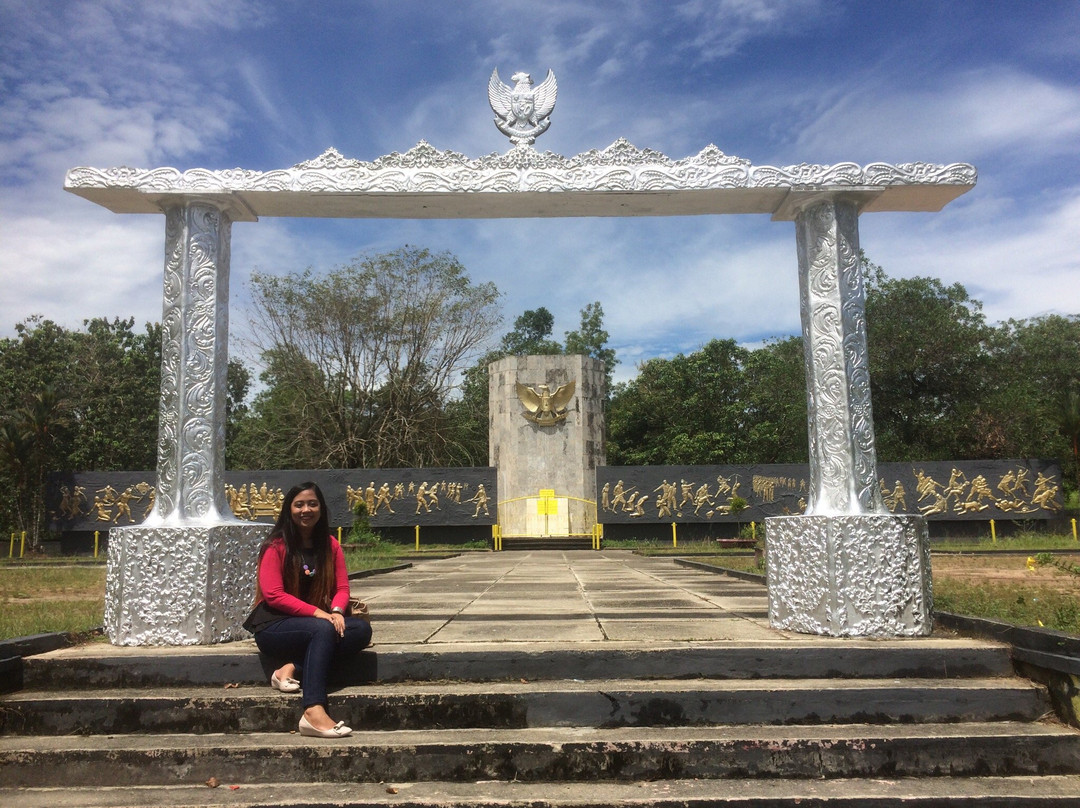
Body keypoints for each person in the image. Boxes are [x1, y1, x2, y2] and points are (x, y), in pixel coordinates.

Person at [245, 481, 372, 738]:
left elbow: (342, 587)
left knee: (360, 630)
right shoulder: (275, 546)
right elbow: (274, 595)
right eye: (299, 504)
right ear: (289, 510)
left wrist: (336, 610)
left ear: (321, 508)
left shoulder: (330, 545)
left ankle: (290, 668)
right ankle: (313, 709)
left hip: (316, 626)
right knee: (323, 629)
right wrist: (319, 614)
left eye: (312, 504)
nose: (306, 509)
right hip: (274, 626)